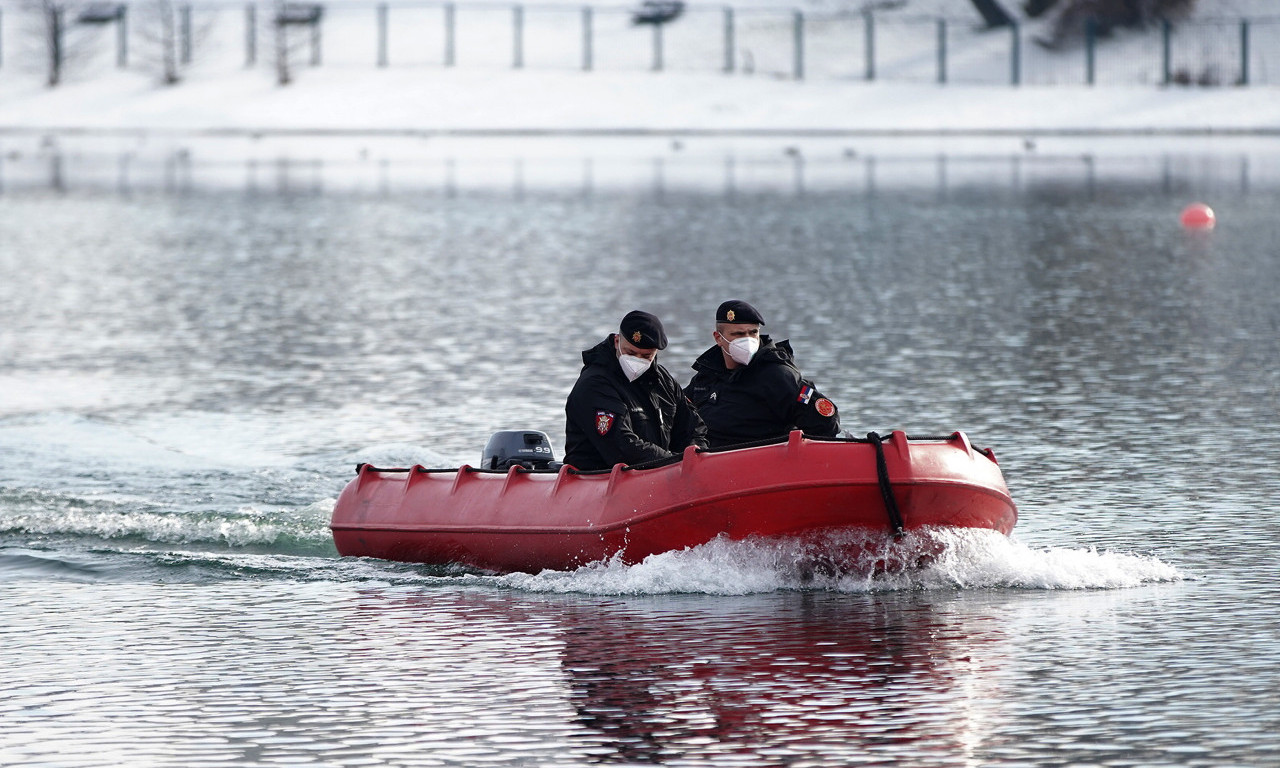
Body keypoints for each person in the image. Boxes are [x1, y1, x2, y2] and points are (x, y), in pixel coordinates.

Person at [564, 310, 709, 471]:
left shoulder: (664, 382)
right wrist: (674, 462)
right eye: (630, 353)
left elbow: (693, 428)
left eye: (646, 356)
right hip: (600, 479)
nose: (637, 360)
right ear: (617, 341)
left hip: (659, 474)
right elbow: (622, 446)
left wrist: (693, 457)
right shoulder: (594, 384)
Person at [684, 300, 840, 448]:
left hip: (762, 461)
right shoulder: (706, 376)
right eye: (738, 334)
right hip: (710, 461)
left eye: (753, 333)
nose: (747, 340)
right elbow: (679, 415)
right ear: (719, 338)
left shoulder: (776, 375)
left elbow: (826, 424)